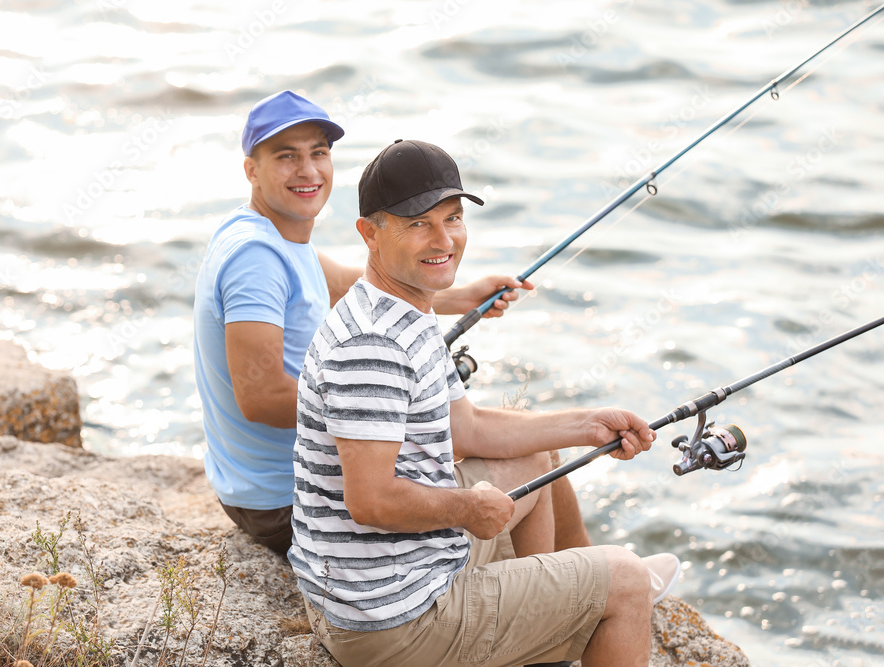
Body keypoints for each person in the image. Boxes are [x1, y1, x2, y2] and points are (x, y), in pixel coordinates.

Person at [290, 139, 681, 667]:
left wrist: (588, 424)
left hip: (394, 577)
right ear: (369, 233)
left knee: (535, 461)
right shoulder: (372, 347)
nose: (443, 239)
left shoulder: (402, 308)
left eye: (452, 218)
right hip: (394, 618)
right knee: (629, 580)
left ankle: (554, 631)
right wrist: (465, 507)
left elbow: (467, 428)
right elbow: (371, 500)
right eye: (417, 223)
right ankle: (593, 611)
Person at [192, 91, 532, 556]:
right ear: (251, 169)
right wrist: (385, 405)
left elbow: (338, 283)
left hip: (266, 488)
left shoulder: (271, 237)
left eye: (318, 153)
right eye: (286, 156)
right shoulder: (257, 258)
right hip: (284, 503)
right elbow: (260, 398)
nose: (308, 171)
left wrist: (458, 295)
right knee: (528, 462)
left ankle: (566, 592)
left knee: (512, 449)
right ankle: (575, 600)